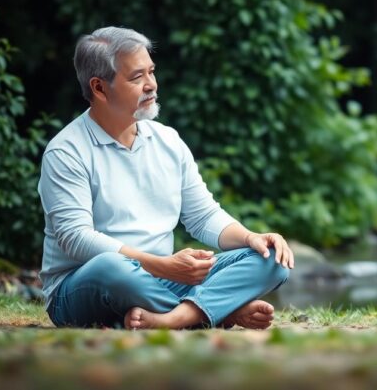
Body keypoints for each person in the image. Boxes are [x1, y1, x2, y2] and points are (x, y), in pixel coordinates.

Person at [38, 26, 293, 330]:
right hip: (84, 289)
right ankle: (217, 311)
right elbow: (76, 239)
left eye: (151, 72)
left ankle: (175, 317)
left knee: (272, 258)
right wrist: (163, 266)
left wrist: (251, 237)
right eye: (137, 77)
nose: (151, 85)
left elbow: (203, 216)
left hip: (163, 281)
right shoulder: (66, 151)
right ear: (99, 88)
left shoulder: (168, 141)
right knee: (113, 268)